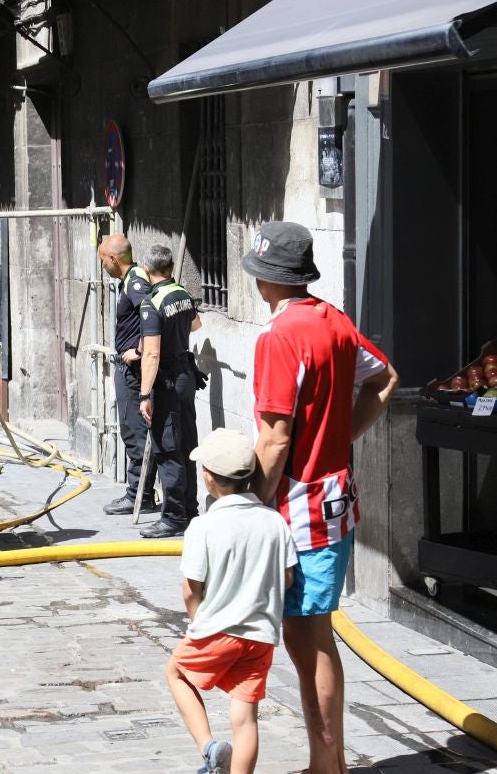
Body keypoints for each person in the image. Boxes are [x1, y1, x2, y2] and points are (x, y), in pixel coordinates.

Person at [243, 221, 399, 774]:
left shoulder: (279, 337)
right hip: (334, 498)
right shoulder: (333, 319)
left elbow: (276, 435)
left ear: (266, 279)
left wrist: (250, 504)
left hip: (298, 507)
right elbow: (385, 380)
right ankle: (325, 761)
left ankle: (325, 765)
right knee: (315, 634)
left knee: (306, 638)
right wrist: (341, 436)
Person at [167, 428, 297, 774]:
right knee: (245, 716)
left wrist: (196, 622)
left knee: (177, 674)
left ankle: (209, 748)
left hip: (217, 629)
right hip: (260, 635)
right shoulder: (275, 522)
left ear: (208, 478)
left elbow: (190, 588)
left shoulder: (204, 526)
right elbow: (286, 578)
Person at [137, 244, 202, 539]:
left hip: (166, 382)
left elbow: (151, 355)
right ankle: (189, 510)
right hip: (186, 376)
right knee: (187, 444)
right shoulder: (182, 294)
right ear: (172, 268)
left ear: (148, 270)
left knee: (167, 449)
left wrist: (144, 394)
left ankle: (174, 517)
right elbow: (196, 324)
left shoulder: (152, 302)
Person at [97, 234, 156, 516]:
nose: (102, 267)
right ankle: (140, 492)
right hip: (128, 369)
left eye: (102, 261)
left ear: (113, 259)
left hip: (133, 372)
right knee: (132, 430)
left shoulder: (135, 283)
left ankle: (139, 495)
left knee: (134, 432)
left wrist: (140, 350)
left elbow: (152, 317)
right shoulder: (131, 280)